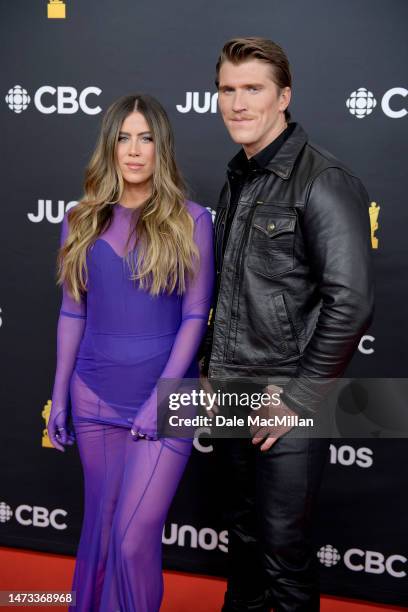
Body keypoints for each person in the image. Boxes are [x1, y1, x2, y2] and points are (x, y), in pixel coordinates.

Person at [200, 38, 374, 611]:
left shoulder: (323, 179)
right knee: (245, 548)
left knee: (283, 556)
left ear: (284, 98)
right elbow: (232, 292)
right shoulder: (239, 177)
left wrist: (298, 397)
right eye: (228, 89)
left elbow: (350, 301)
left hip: (285, 398)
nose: (238, 103)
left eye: (253, 89)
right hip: (230, 394)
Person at [48, 93, 214, 612]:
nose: (134, 150)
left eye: (146, 138)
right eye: (124, 137)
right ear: (110, 145)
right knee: (100, 529)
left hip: (168, 401)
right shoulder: (80, 219)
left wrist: (161, 399)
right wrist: (59, 396)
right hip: (93, 395)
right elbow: (73, 314)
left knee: (132, 538)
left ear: (161, 147)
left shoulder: (191, 220)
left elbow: (194, 316)